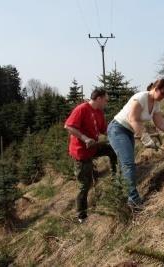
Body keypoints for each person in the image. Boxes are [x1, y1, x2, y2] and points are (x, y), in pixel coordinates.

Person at [107, 79, 164, 209]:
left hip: (128, 131)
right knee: (128, 163)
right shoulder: (140, 97)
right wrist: (145, 139)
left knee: (126, 163)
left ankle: (121, 193)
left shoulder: (156, 103)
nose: (163, 97)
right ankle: (134, 201)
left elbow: (160, 123)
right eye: (163, 94)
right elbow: (132, 119)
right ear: (155, 89)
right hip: (117, 129)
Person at [64, 88, 117, 223]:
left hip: (93, 148)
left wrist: (117, 136)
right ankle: (82, 216)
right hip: (81, 152)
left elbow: (103, 129)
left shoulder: (99, 112)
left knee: (112, 149)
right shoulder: (82, 109)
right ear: (98, 99)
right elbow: (69, 126)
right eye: (105, 100)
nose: (106, 102)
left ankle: (115, 176)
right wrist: (85, 138)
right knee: (85, 185)